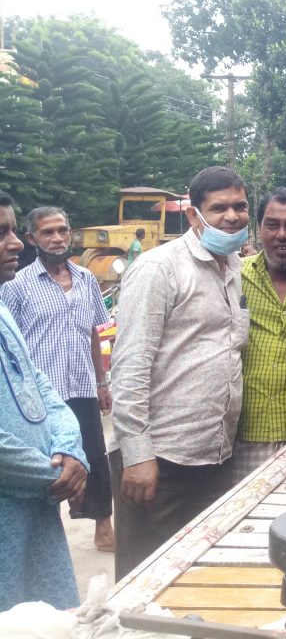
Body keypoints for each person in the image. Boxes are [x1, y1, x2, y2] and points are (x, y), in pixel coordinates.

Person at [109, 166, 251, 580]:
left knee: (198, 579)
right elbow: (130, 365)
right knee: (146, 581)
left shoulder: (234, 267)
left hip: (216, 455)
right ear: (193, 215)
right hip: (160, 461)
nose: (232, 217)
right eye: (219, 208)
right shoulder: (158, 268)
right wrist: (138, 455)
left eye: (240, 206)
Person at [1, 207, 113, 552]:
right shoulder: (17, 284)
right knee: (47, 463)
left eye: (62, 230)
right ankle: (46, 533)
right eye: (47, 232)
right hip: (38, 398)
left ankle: (103, 526)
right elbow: (10, 340)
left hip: (81, 385)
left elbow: (95, 332)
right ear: (32, 238)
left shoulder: (86, 279)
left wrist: (101, 381)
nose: (57, 238)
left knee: (94, 456)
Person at [0, 191, 89, 611]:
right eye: (2, 233)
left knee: (47, 618)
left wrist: (71, 449)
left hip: (37, 512)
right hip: (19, 500)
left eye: (13, 230)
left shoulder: (2, 310)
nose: (16, 243)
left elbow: (38, 384)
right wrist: (53, 474)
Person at [232, 188, 286, 482]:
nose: (282, 235)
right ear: (258, 229)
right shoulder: (234, 277)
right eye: (272, 225)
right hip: (239, 440)